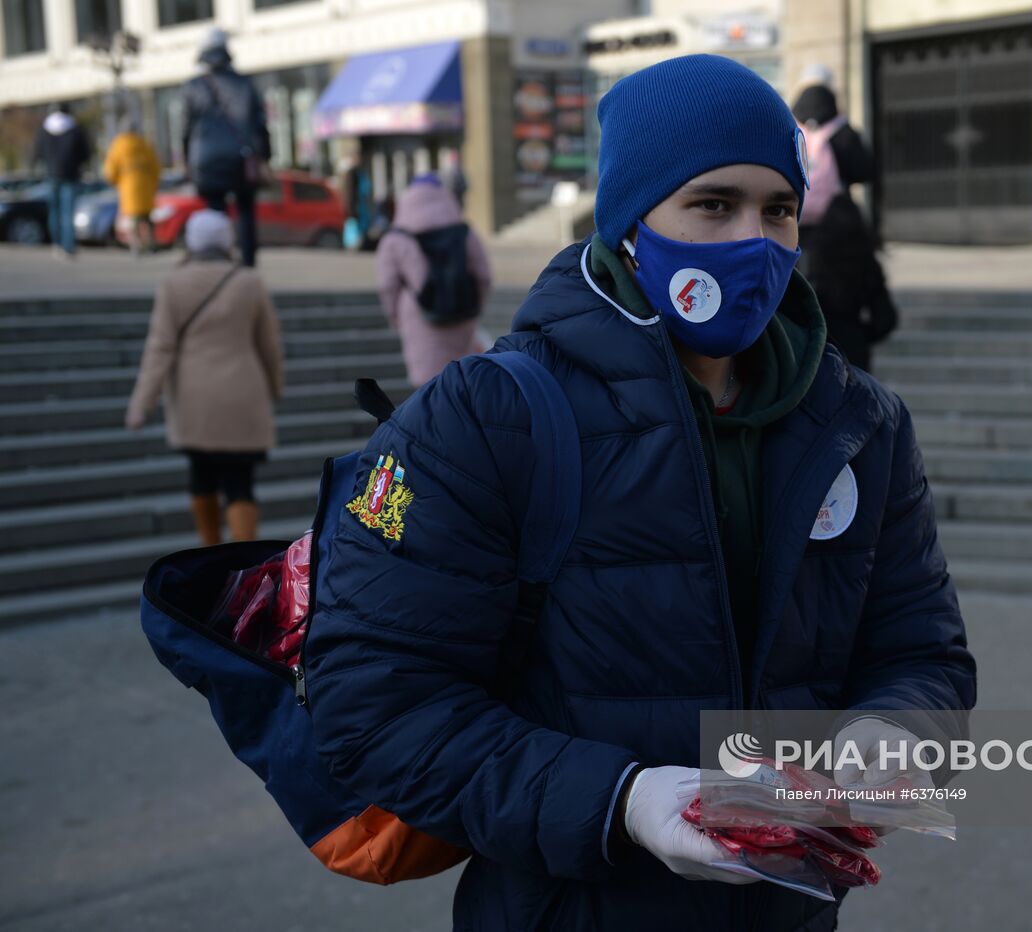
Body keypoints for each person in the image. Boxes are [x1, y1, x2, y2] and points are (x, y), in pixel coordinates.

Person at [305, 55, 973, 931]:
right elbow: (373, 702)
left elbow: (923, 652)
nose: (754, 241)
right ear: (629, 220)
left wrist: (895, 732)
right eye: (712, 204)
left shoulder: (861, 423)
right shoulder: (483, 417)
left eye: (778, 209)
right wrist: (621, 801)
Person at [126, 210, 284, 546]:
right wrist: (275, 385)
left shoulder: (173, 283)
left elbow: (160, 347)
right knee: (241, 482)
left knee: (201, 477)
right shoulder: (249, 281)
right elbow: (269, 344)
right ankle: (243, 556)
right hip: (243, 392)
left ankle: (209, 550)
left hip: (194, 396)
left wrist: (142, 403)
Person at [791, 79, 896, 373]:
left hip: (801, 363)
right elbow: (885, 318)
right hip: (851, 361)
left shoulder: (790, 133)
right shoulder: (843, 135)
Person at [375, 174, 492, 387]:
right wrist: (476, 306)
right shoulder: (464, 233)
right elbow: (483, 276)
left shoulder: (395, 239)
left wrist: (396, 318)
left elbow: (387, 286)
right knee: (462, 383)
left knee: (428, 386)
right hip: (463, 314)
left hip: (419, 316)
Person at [180, 28, 270, 267]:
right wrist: (265, 156)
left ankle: (218, 263)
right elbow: (260, 124)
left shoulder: (193, 87)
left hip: (206, 159)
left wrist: (187, 160)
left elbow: (185, 129)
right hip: (242, 157)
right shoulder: (245, 83)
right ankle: (248, 264)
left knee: (215, 212)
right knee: (246, 212)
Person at [31, 103, 91, 259]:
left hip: (51, 175)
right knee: (67, 213)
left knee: (54, 212)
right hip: (70, 176)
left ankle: (56, 244)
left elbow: (37, 153)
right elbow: (85, 154)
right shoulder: (75, 130)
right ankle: (68, 246)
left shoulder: (44, 130)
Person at [103, 111, 161, 256]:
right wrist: (153, 184)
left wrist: (116, 182)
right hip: (146, 188)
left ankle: (136, 246)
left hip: (128, 188)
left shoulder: (119, 145)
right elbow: (156, 167)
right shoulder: (144, 144)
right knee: (147, 218)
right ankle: (151, 244)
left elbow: (110, 170)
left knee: (133, 219)